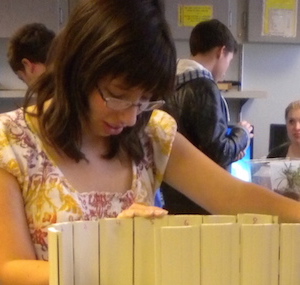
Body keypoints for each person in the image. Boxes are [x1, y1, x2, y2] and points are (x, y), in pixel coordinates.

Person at [1, 1, 300, 284]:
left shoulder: (151, 134)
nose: (131, 117)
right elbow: (10, 269)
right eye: (118, 95)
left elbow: (233, 196)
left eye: (144, 100)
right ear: (77, 69)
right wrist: (116, 256)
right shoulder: (12, 141)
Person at [160, 19, 253, 214]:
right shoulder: (204, 86)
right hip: (202, 201)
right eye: (229, 59)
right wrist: (242, 134)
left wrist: (231, 151)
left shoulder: (168, 83)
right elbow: (217, 152)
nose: (227, 67)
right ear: (221, 51)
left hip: (173, 196)